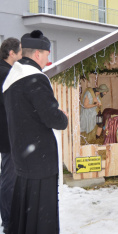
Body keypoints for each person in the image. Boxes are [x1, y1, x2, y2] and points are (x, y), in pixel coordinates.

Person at [3, 30, 68, 234]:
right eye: (48, 54)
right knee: (41, 214)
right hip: (39, 161)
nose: (48, 58)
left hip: (23, 157)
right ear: (38, 54)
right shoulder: (35, 79)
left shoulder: (12, 78)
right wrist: (62, 116)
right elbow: (51, 118)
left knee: (26, 211)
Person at [0, 38, 22, 233]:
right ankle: (8, 222)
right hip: (7, 133)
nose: (22, 55)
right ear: (12, 53)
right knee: (9, 179)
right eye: (20, 52)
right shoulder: (6, 75)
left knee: (9, 176)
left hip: (6, 132)